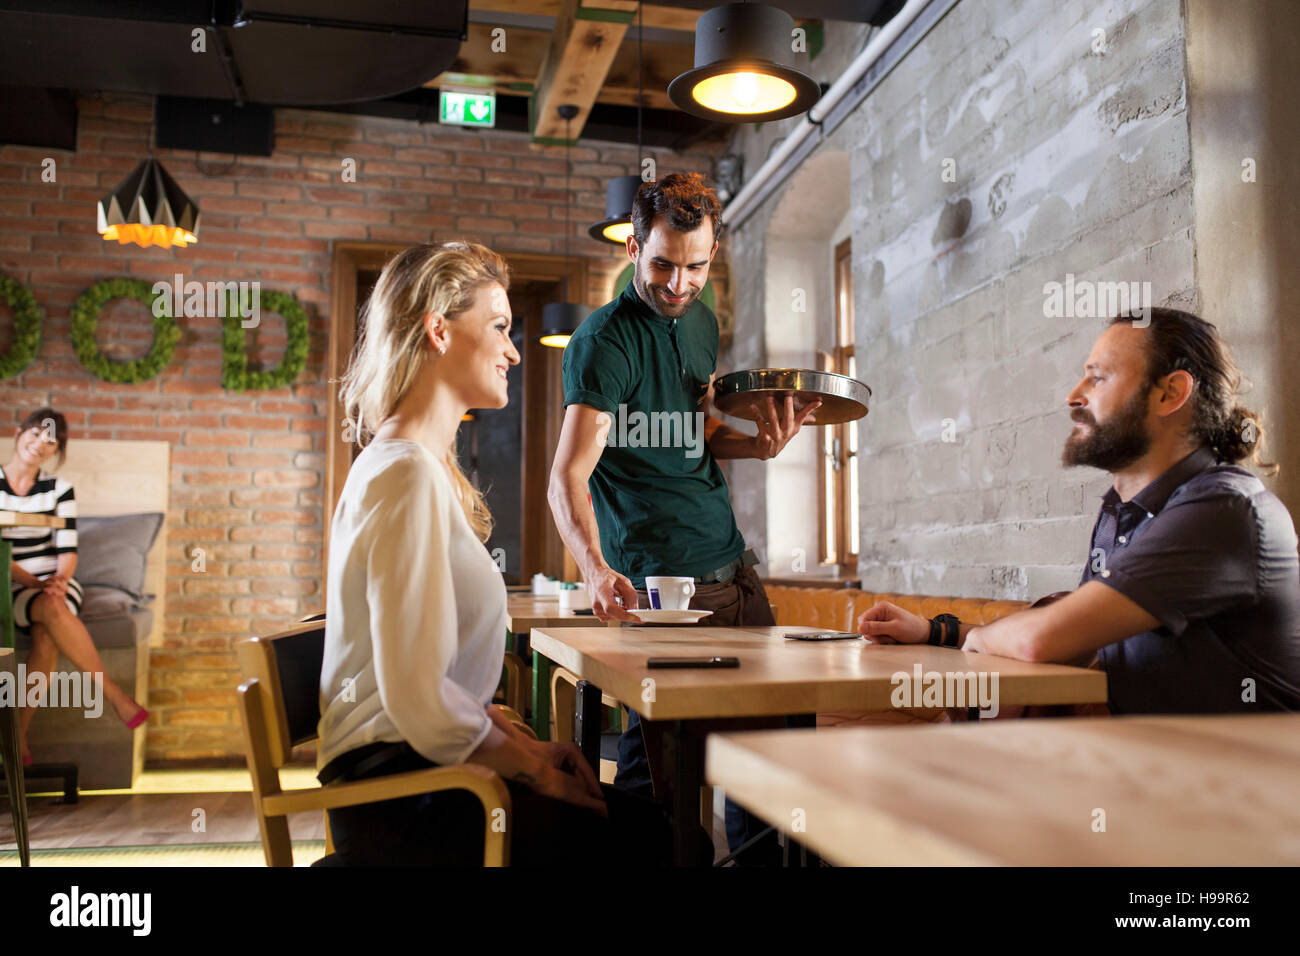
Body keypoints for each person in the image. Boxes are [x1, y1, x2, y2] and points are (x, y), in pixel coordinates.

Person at [320, 241, 675, 866]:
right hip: (404, 804)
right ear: (438, 329)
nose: (513, 350)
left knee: (653, 827)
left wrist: (525, 748)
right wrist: (535, 774)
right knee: (657, 839)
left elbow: (433, 691)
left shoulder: (412, 467)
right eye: (500, 327)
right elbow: (418, 699)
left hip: (424, 777)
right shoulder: (403, 474)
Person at [548, 173, 819, 864]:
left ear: (714, 251)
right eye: (663, 263)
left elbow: (697, 432)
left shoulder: (702, 323)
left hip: (737, 575)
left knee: (768, 771)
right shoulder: (603, 343)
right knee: (661, 791)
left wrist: (757, 444)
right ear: (634, 244)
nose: (677, 283)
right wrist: (595, 567)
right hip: (666, 596)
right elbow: (567, 477)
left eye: (695, 266)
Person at [858, 308, 1300, 715]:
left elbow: (1038, 641)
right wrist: (937, 632)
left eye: (1098, 378)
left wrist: (977, 640)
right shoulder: (1123, 510)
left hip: (1243, 789)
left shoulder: (1224, 510)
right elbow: (1073, 634)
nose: (1073, 395)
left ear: (1170, 393)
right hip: (1154, 775)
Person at [3, 408, 149, 765]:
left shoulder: (60, 488)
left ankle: (16, 738)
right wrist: (33, 582)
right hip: (8, 579)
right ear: (20, 433)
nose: (39, 444)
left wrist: (59, 581)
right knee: (49, 619)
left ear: (57, 451)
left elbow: (68, 548)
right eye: (35, 434)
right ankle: (114, 695)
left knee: (50, 625)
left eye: (50, 441)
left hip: (55, 582)